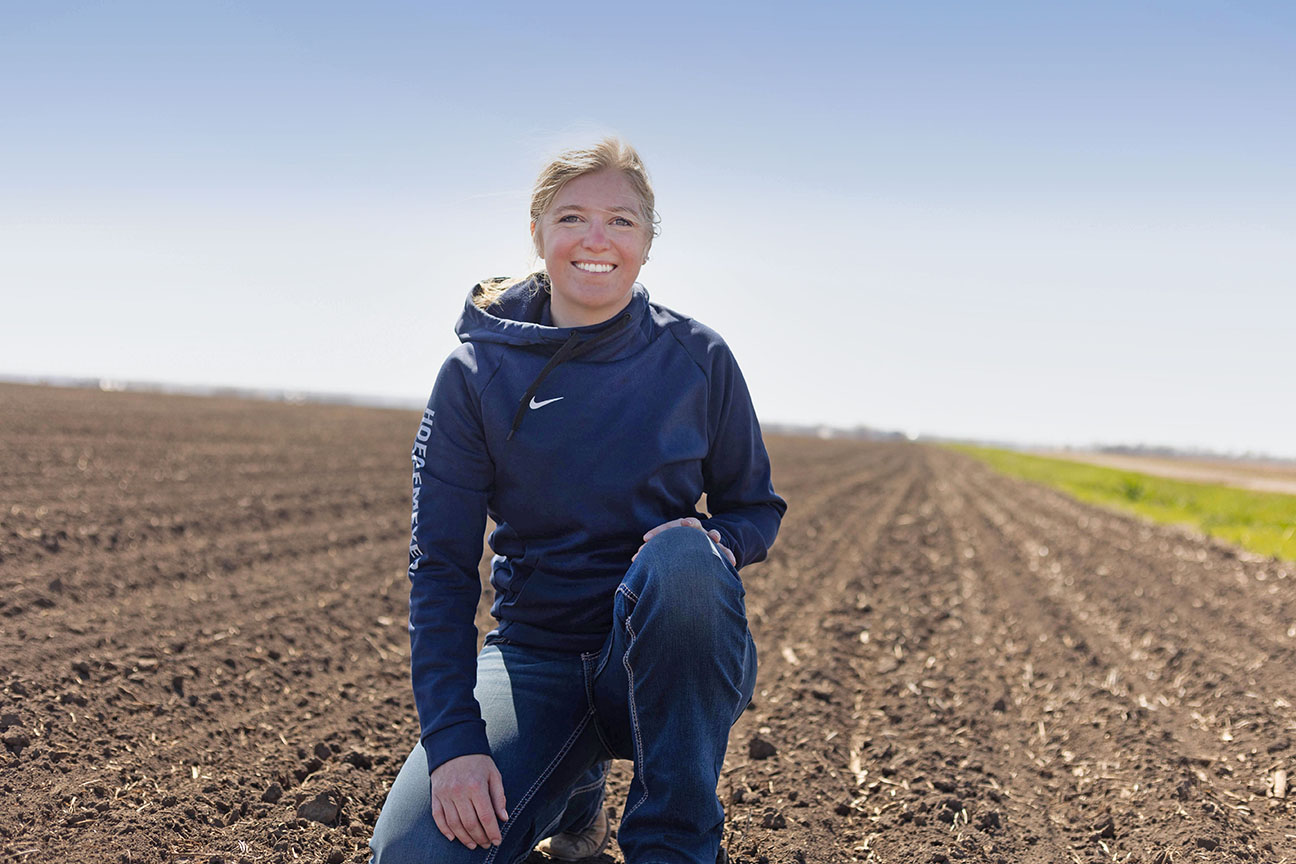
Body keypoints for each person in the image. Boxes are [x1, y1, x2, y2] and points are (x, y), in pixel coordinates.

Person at [369, 137, 785, 864]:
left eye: (622, 221)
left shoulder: (699, 358)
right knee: (415, 857)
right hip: (536, 659)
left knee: (685, 560)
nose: (598, 240)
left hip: (664, 654)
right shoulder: (474, 376)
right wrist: (455, 745)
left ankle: (675, 846)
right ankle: (574, 791)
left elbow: (757, 507)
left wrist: (718, 543)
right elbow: (438, 568)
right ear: (538, 232)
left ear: (649, 242)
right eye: (573, 218)